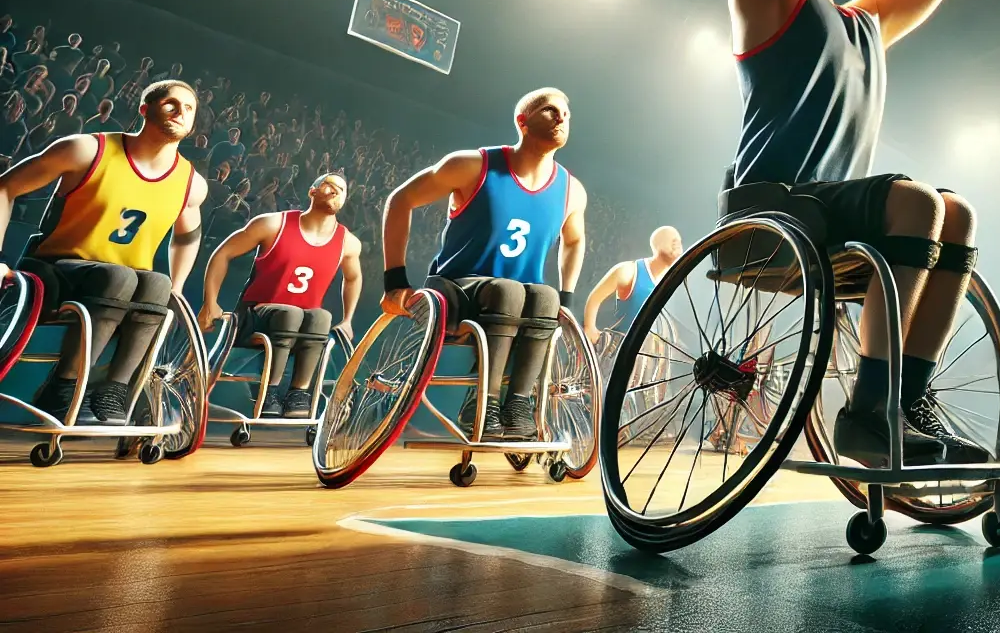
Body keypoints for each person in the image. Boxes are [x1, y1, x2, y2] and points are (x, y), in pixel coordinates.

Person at [724, 0, 982, 467]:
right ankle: (866, 416)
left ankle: (901, 403)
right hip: (771, 211)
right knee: (919, 204)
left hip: (835, 216)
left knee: (955, 211)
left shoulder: (867, 20)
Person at [381, 88, 588, 439]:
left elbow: (575, 239)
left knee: (547, 297)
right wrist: (394, 280)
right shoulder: (472, 165)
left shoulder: (571, 189)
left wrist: (567, 297)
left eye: (566, 114)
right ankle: (482, 401)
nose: (561, 117)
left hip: (518, 303)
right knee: (507, 291)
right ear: (522, 122)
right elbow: (400, 200)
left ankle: (518, 405)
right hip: (456, 289)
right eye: (550, 110)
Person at [0, 81, 208, 422]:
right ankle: (63, 386)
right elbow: (6, 187)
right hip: (56, 268)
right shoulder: (86, 150)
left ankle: (114, 390)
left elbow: (188, 237)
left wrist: (179, 284)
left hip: (122, 286)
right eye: (171, 104)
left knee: (158, 284)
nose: (180, 113)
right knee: (117, 277)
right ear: (144, 109)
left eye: (188, 109)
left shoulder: (191, 182)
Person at [197, 172, 363, 418]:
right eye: (330, 185)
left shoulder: (348, 242)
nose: (336, 190)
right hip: (254, 318)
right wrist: (210, 303)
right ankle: (268, 392)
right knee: (290, 313)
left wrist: (348, 319)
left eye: (342, 189)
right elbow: (222, 254)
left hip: (302, 328)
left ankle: (299, 394)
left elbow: (353, 277)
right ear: (312, 191)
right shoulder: (273, 224)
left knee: (321, 317)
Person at [583, 225, 681, 350]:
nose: (677, 245)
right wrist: (589, 327)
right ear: (658, 245)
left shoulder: (674, 280)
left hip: (652, 355)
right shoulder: (629, 271)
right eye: (672, 241)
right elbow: (595, 298)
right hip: (621, 349)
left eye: (678, 242)